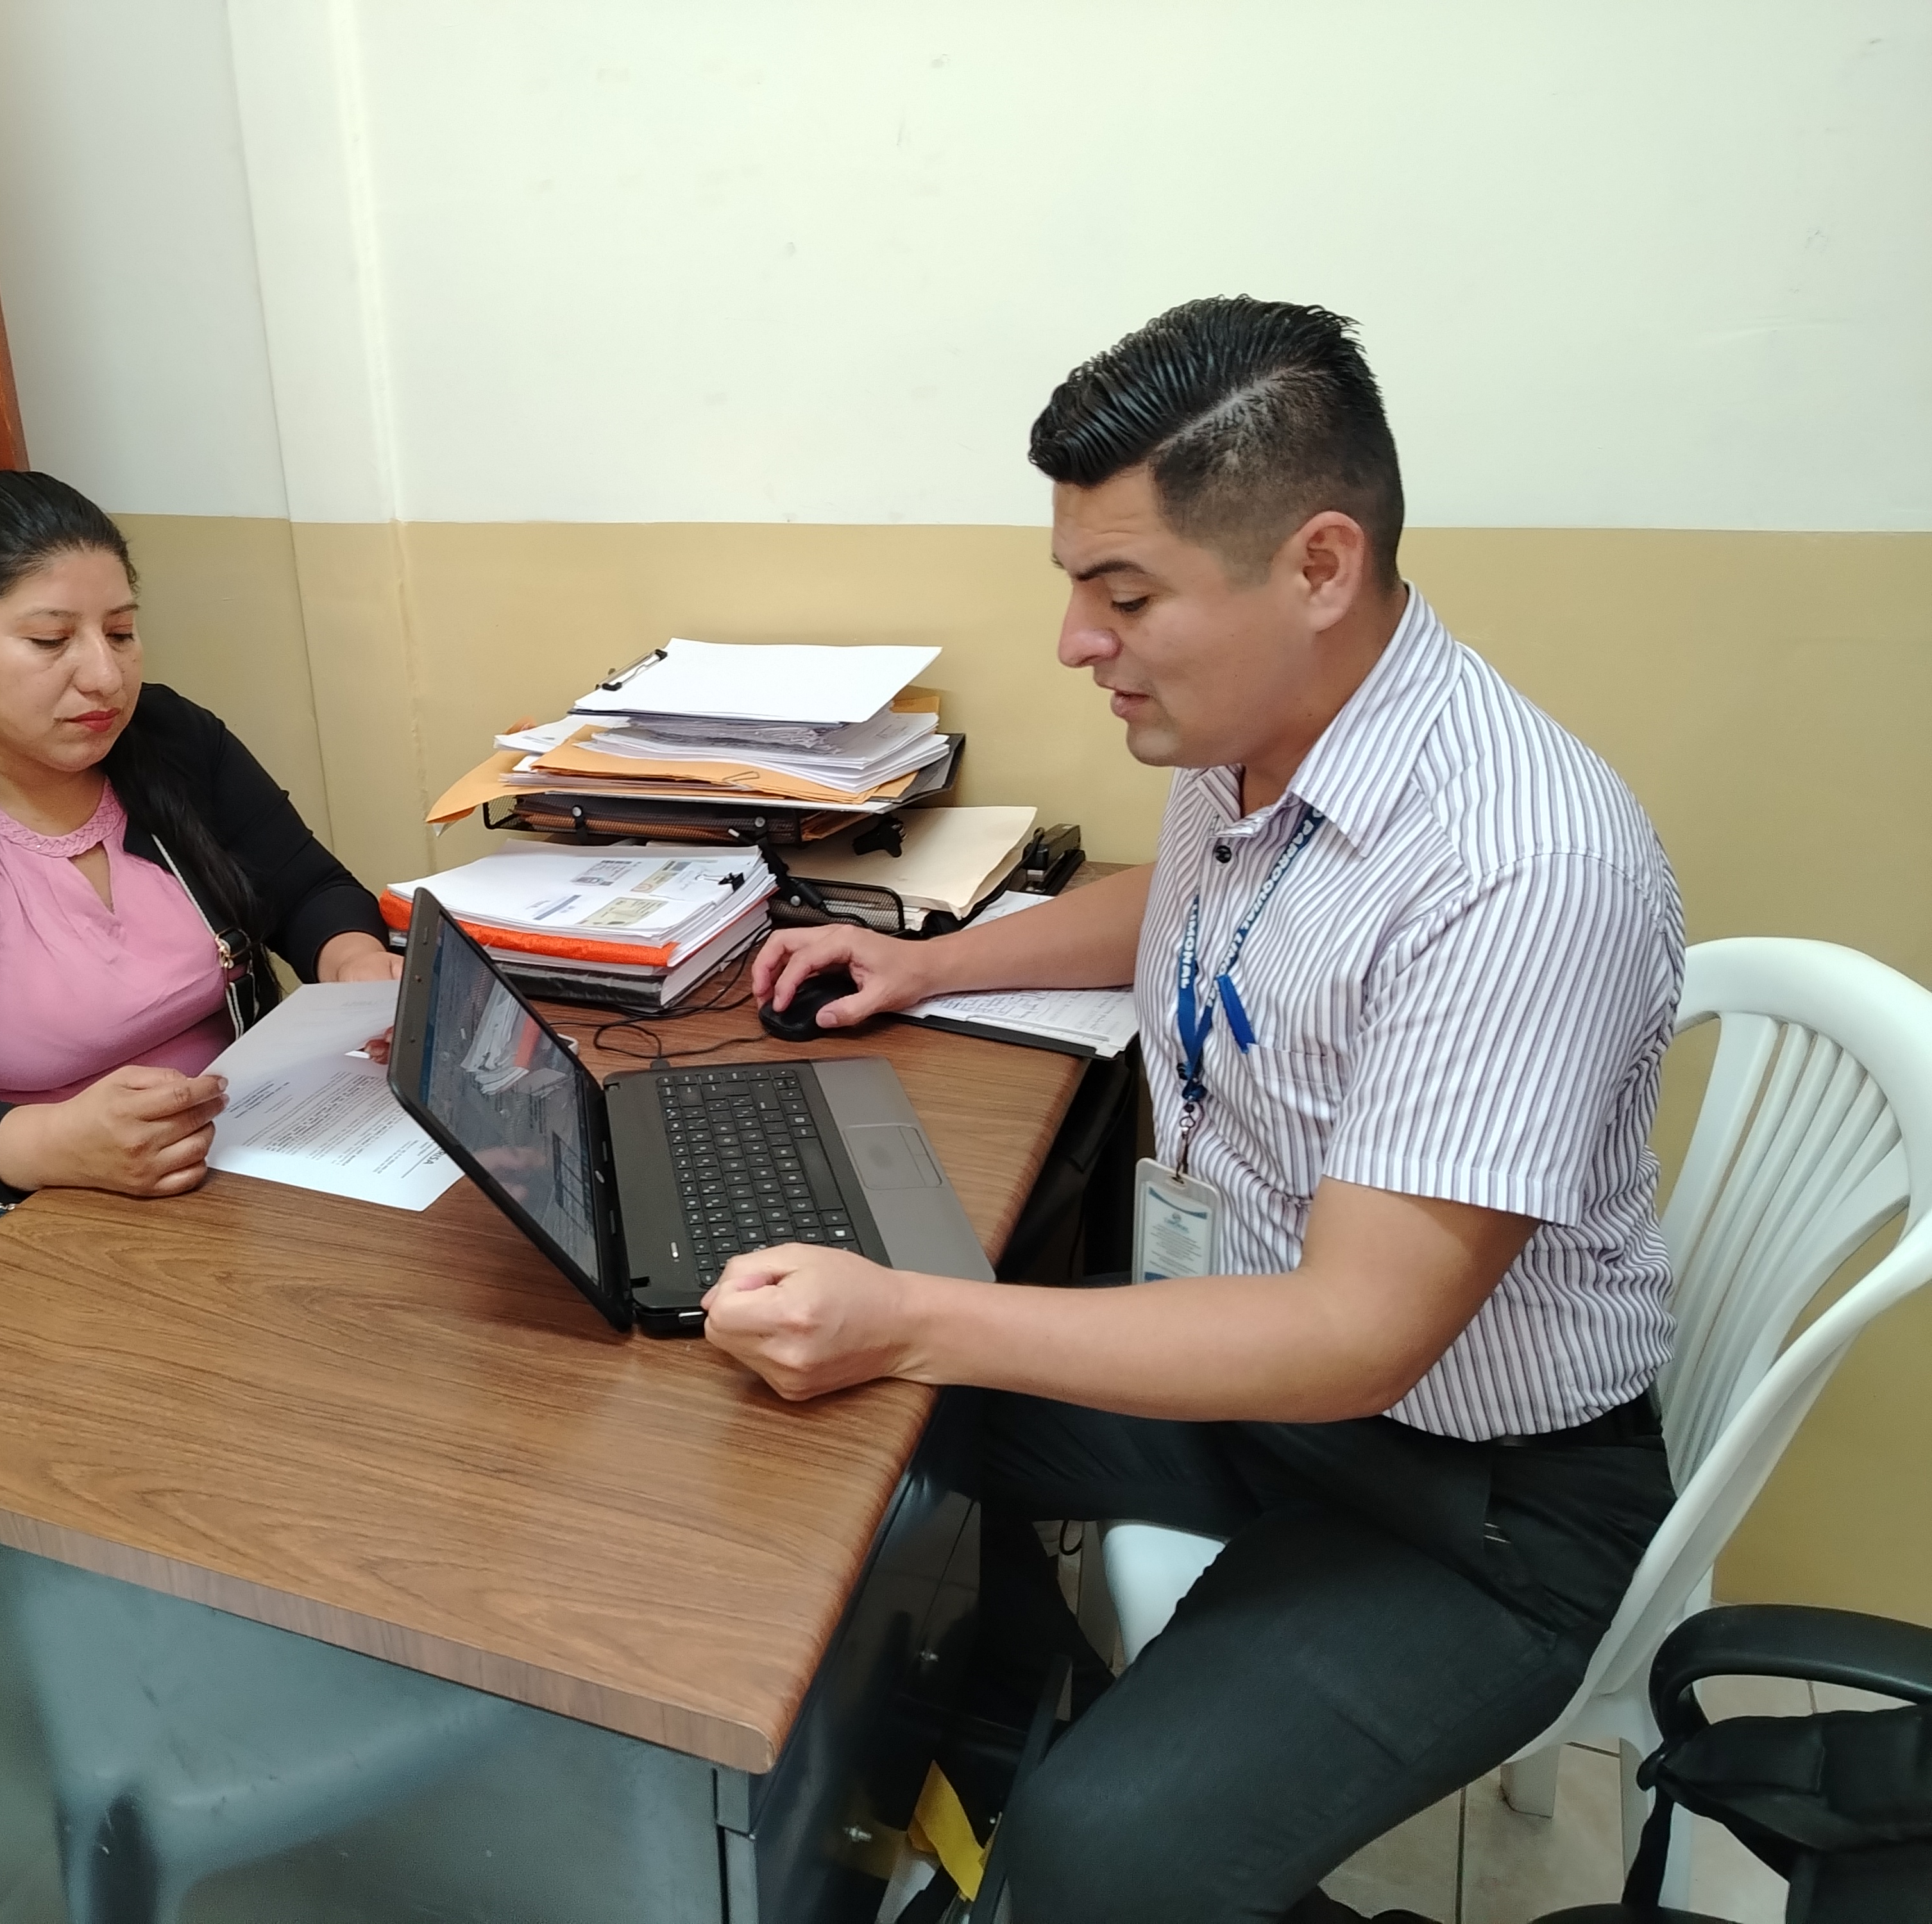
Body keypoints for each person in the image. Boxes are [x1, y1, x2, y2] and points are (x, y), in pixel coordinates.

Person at [716, 300, 1683, 1923]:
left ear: (1316, 567)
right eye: (1073, 589)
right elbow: (1173, 908)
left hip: (1472, 1501)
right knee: (869, 1443)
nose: (1073, 644)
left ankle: (1071, 1821)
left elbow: (1355, 1337)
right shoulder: (1247, 733)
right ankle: (974, 1741)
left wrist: (912, 1315)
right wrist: (926, 966)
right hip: (1265, 1374)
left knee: (1100, 1852)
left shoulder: (1518, 866)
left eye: (1124, 597)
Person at [0, 470, 400, 1328]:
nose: (105, 676)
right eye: (51, 641)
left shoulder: (171, 740)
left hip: (221, 1146)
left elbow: (309, 887)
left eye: (122, 633)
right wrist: (56, 1144)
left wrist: (355, 965)